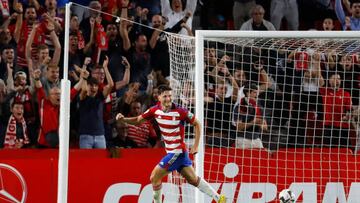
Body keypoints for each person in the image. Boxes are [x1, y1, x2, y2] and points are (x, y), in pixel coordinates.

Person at [116, 85, 226, 203]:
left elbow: (197, 124)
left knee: (154, 177)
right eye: (165, 96)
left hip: (177, 151)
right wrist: (123, 120)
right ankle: (220, 199)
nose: (168, 99)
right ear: (158, 97)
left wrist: (196, 145)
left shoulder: (181, 111)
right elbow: (138, 120)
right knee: (193, 179)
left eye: (170, 96)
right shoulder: (154, 110)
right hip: (178, 153)